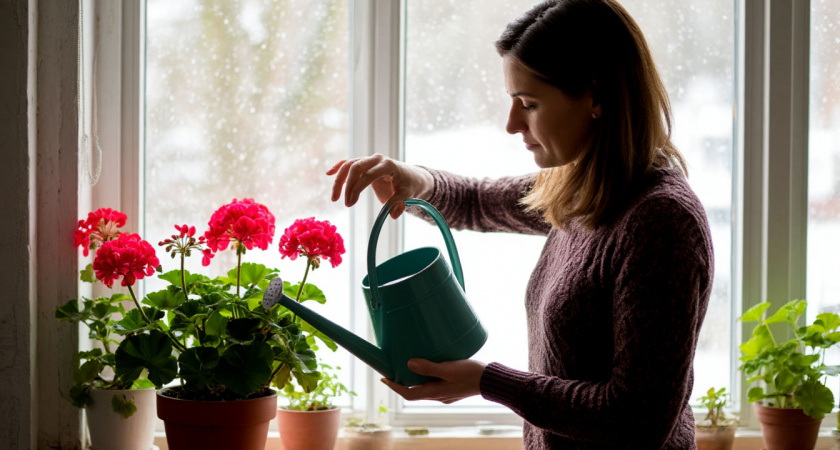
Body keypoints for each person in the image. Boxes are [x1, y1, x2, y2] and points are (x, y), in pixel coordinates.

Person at [327, 0, 713, 448]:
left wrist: (488, 382)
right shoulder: (585, 190)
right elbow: (476, 201)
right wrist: (417, 181)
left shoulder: (660, 221)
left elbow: (635, 418)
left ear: (596, 96)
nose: (512, 124)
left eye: (528, 104)